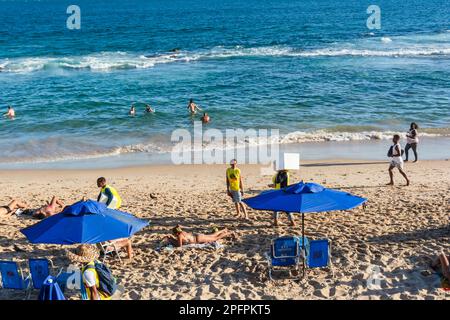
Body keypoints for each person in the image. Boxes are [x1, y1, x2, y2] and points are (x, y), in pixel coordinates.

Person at [164, 225, 236, 247]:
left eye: (173, 234)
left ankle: (229, 232)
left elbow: (180, 245)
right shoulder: (182, 232)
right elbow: (178, 226)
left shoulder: (179, 236)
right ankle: (224, 230)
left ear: (176, 233)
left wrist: (171, 240)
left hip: (198, 239)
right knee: (213, 235)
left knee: (215, 238)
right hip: (198, 236)